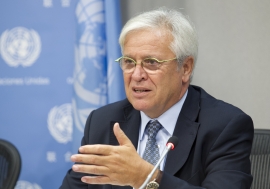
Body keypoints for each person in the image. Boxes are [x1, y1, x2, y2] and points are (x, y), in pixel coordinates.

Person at [60, 7, 254, 189]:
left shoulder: (225, 126)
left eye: (151, 62)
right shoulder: (103, 122)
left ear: (185, 68)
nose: (136, 75)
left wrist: (148, 178)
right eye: (129, 62)